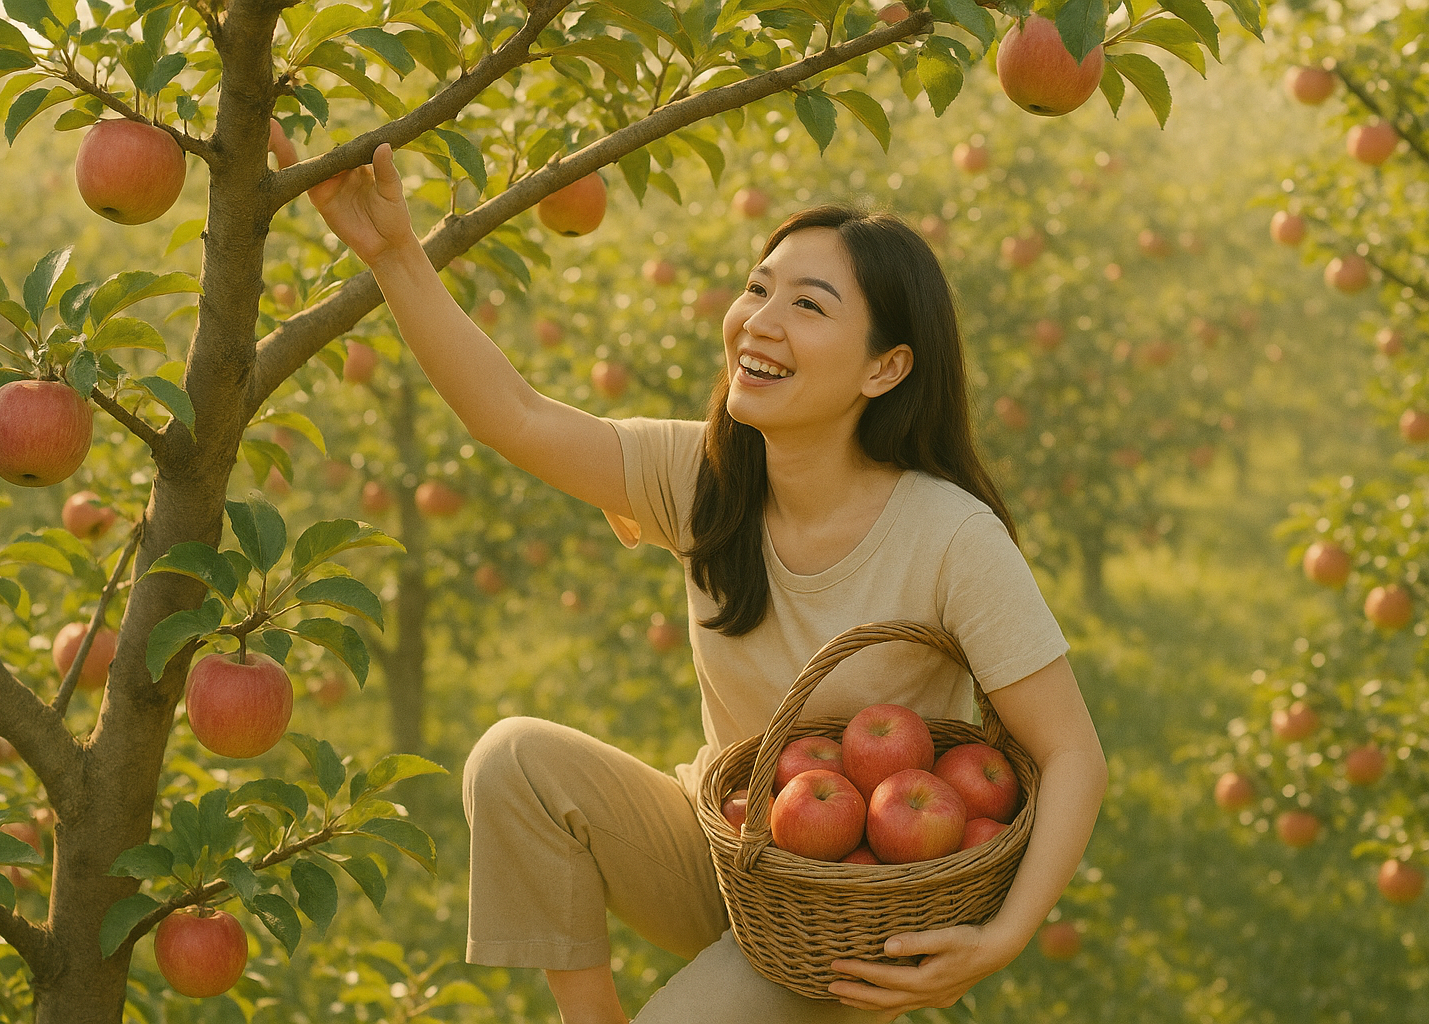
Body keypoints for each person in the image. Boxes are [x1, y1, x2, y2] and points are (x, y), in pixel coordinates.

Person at [309, 145, 1108, 1024]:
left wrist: (1000, 940)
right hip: (726, 849)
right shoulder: (704, 476)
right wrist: (394, 254)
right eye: (758, 288)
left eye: (808, 305)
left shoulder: (951, 537)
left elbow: (1072, 753)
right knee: (514, 761)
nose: (760, 321)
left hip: (848, 916)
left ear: (886, 368)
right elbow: (517, 415)